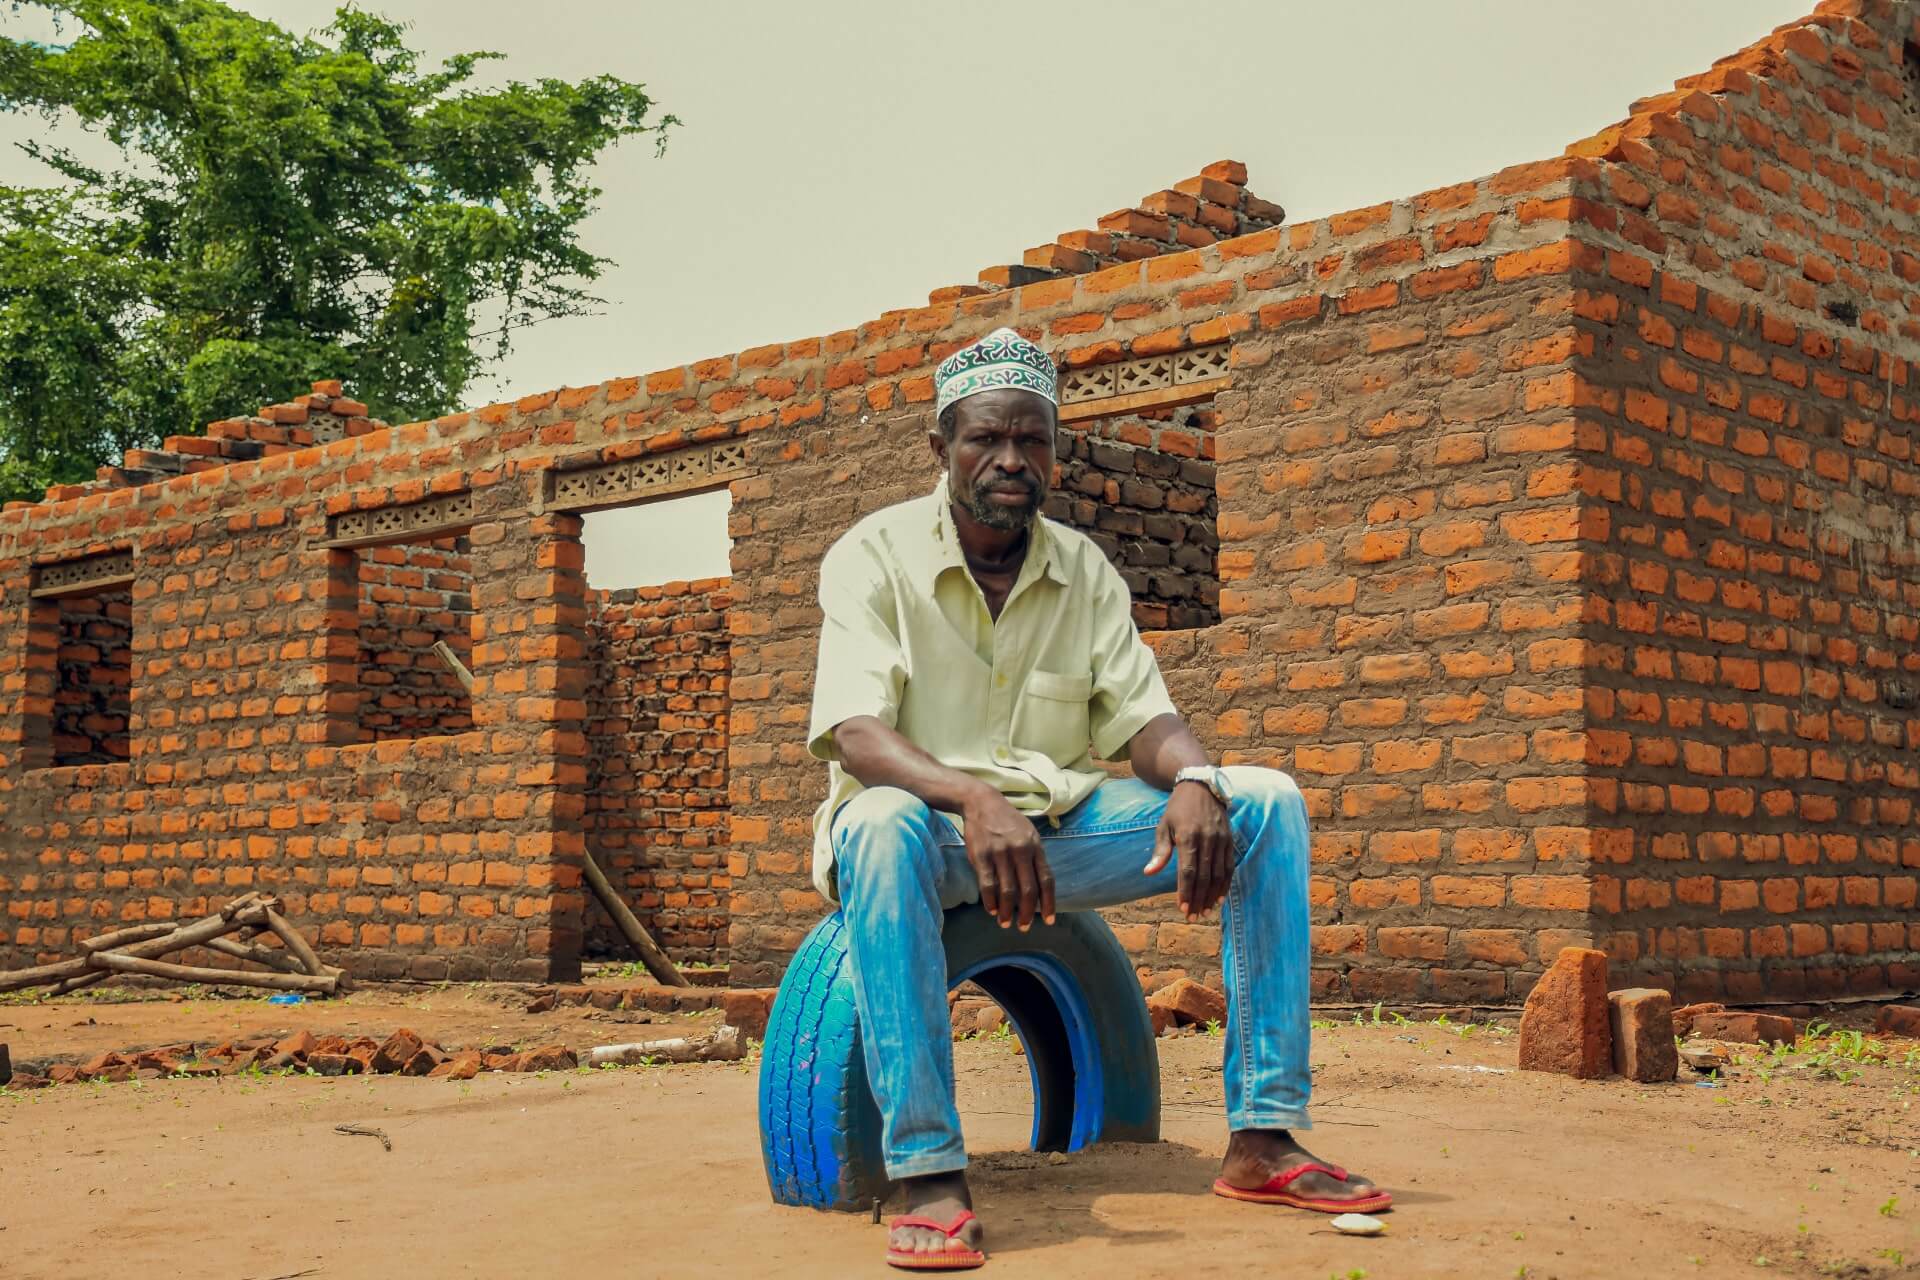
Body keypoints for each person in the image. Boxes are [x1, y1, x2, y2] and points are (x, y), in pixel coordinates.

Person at [806, 328, 1389, 1271]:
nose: (1010, 460)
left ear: (1054, 451)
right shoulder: (871, 556)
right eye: (985, 439)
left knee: (1266, 799)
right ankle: (927, 1168)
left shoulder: (1083, 569)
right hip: (923, 837)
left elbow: (1144, 724)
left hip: (1058, 834)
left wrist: (1196, 778)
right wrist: (969, 798)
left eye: (1032, 440)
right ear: (940, 447)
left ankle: (1264, 1141)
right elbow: (856, 734)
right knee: (876, 819)